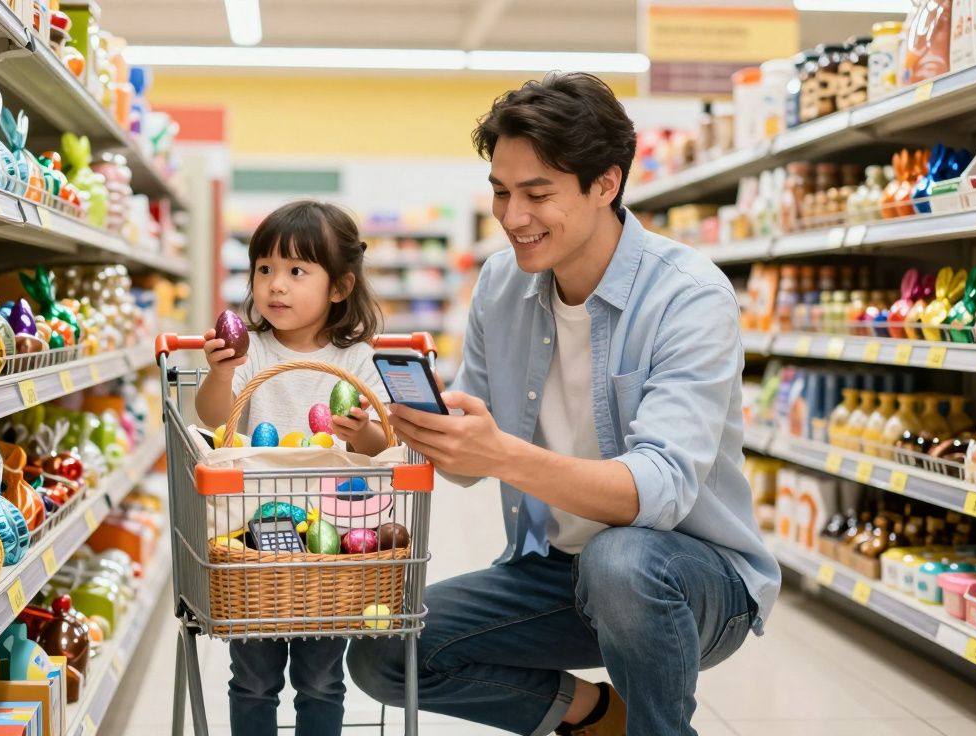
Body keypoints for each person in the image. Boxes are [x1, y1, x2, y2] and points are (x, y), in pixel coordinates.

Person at [346, 73, 781, 736]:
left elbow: (657, 493)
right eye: (500, 192)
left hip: (691, 582)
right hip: (556, 574)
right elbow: (471, 460)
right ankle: (600, 718)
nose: (512, 217)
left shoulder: (689, 295)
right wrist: (409, 434)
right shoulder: (501, 285)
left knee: (623, 560)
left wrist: (502, 454)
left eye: (537, 193)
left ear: (605, 184)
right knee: (386, 650)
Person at [194, 199, 391, 736]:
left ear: (340, 287)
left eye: (296, 271)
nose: (275, 285)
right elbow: (216, 421)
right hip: (253, 539)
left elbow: (380, 449)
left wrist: (363, 432)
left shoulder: (358, 360)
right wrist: (220, 374)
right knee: (253, 678)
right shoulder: (252, 351)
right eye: (265, 270)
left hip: (334, 541)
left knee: (322, 680)